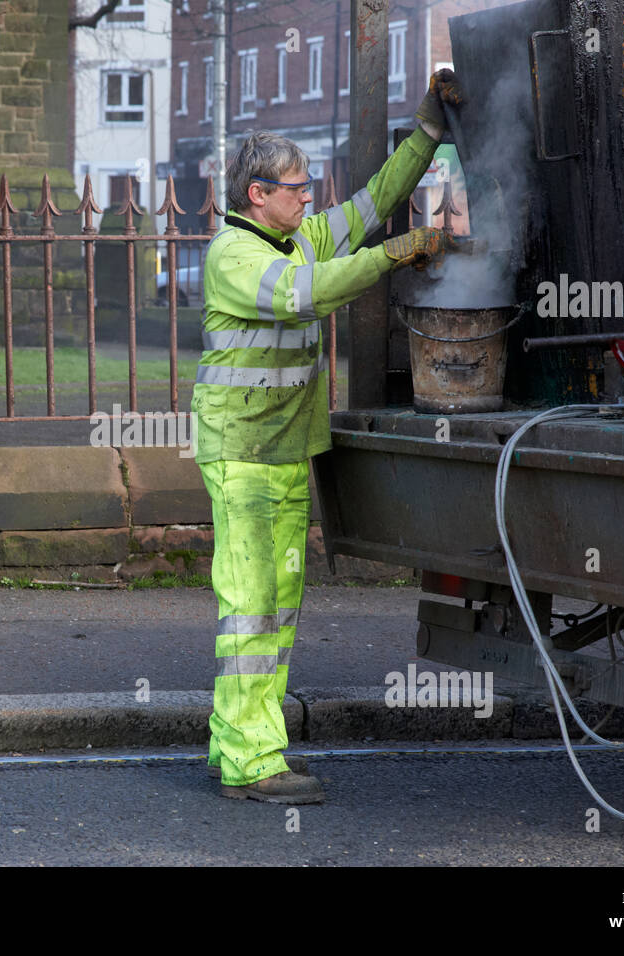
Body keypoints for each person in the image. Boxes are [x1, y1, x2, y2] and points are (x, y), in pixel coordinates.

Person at [194, 70, 463, 804]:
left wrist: (428, 130)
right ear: (258, 194)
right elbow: (303, 295)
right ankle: (254, 764)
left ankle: (239, 744)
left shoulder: (300, 236)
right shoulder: (236, 256)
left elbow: (373, 202)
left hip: (279, 455)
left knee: (274, 608)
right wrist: (396, 254)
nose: (308, 197)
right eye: (296, 187)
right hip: (242, 458)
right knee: (252, 606)